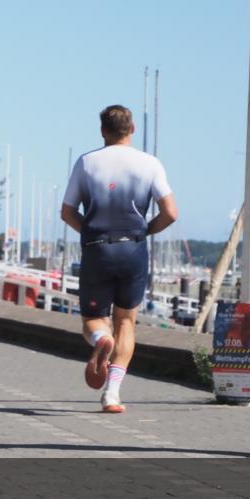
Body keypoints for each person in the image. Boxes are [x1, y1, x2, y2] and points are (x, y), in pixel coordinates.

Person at [60, 104, 177, 414]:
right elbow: (171, 213)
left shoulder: (87, 162)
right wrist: (145, 232)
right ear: (132, 129)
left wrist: (89, 232)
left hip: (97, 247)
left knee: (93, 320)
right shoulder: (150, 164)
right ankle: (112, 393)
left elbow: (67, 211)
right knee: (126, 322)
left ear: (102, 131)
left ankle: (101, 338)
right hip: (133, 249)